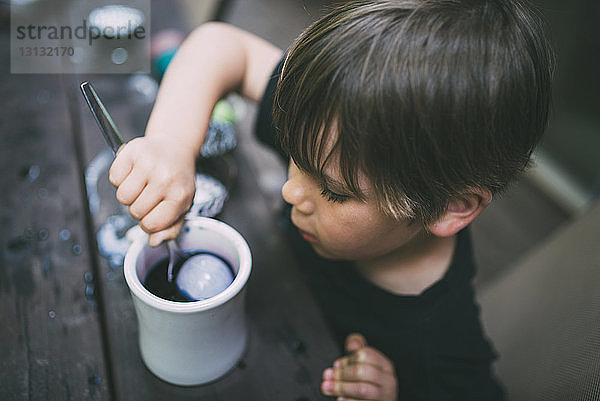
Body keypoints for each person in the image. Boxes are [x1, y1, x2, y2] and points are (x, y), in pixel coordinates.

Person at [109, 0, 554, 399]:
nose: (290, 190)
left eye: (333, 192)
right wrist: (171, 142)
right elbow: (221, 46)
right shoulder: (334, 127)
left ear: (447, 207)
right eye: (293, 156)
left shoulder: (441, 345)